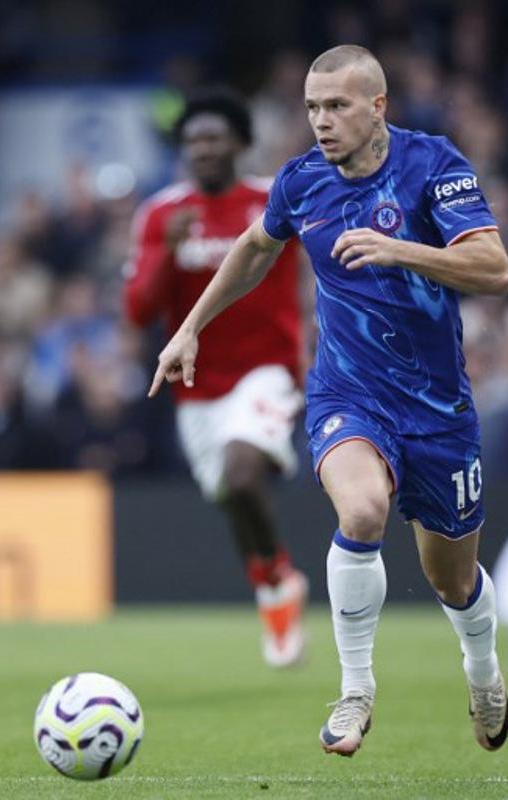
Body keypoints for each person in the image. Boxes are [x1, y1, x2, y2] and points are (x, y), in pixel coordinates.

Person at [149, 46, 508, 756]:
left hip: (437, 409)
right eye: (313, 107)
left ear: (377, 107)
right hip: (347, 392)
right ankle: (355, 691)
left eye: (337, 106)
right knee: (362, 509)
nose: (321, 121)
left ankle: (482, 669)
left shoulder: (434, 168)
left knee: (453, 578)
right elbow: (257, 249)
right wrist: (191, 327)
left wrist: (402, 249)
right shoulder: (301, 180)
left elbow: (494, 268)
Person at [124, 89, 308, 667]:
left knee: (242, 471)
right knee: (233, 494)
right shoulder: (160, 215)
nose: (202, 149)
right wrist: (164, 253)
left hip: (267, 368)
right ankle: (275, 579)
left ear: (239, 143)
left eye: (213, 137)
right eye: (193, 140)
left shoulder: (270, 200)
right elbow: (137, 310)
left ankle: (276, 581)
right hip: (196, 386)